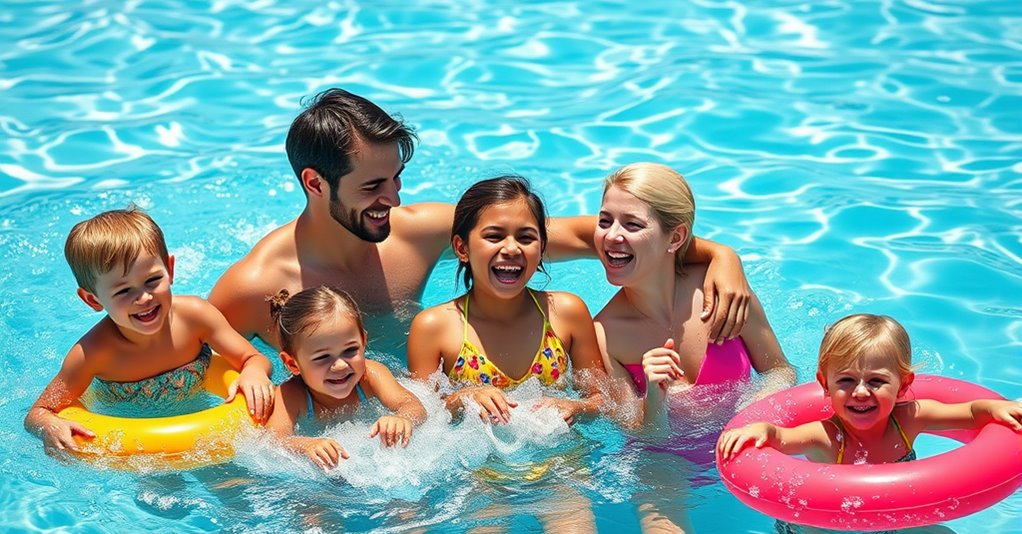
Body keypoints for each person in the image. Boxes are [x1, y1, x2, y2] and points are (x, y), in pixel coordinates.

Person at [208, 88, 754, 350]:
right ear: (314, 183)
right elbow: (185, 365)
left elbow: (597, 236)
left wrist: (722, 257)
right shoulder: (254, 286)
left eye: (396, 179)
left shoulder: (419, 233)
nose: (394, 200)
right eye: (373, 187)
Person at [592, 162, 796, 534]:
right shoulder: (604, 333)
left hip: (744, 438)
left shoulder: (721, 290)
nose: (611, 236)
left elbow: (780, 370)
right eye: (604, 220)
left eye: (631, 224)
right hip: (663, 462)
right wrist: (654, 393)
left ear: (676, 237)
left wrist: (748, 416)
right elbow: (644, 434)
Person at [406, 175, 609, 534]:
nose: (511, 249)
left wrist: (575, 406)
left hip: (558, 460)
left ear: (542, 249)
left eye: (527, 237)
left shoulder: (566, 312)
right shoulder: (435, 326)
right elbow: (419, 413)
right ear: (462, 248)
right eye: (494, 236)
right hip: (480, 469)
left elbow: (604, 399)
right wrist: (464, 397)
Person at [717, 313, 1018, 534]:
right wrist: (764, 431)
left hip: (874, 529)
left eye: (876, 381)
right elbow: (782, 438)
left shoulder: (911, 418)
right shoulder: (824, 436)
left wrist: (993, 409)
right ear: (825, 384)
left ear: (904, 384)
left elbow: (967, 412)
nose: (860, 392)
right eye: (846, 381)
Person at [24, 208, 275, 456]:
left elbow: (254, 358)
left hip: (206, 424)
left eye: (153, 280)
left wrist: (253, 372)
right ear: (92, 300)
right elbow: (39, 412)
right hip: (142, 446)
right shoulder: (92, 353)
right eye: (123, 291)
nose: (144, 297)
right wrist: (50, 425)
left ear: (170, 270)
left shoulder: (195, 317)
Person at [264, 285, 426, 471]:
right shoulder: (292, 394)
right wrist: (305, 445)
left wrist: (402, 418)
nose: (340, 365)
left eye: (350, 350)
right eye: (323, 357)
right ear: (292, 364)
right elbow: (272, 440)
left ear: (364, 342)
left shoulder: (370, 377)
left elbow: (413, 405)